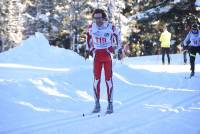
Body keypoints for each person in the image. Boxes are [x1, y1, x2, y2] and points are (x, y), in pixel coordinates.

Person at [84, 9, 122, 114]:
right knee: (96, 81)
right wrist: (87, 50)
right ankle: (97, 104)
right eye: (95, 18)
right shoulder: (91, 28)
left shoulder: (110, 27)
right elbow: (88, 38)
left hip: (107, 56)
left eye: (99, 18)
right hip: (97, 57)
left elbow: (118, 35)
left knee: (108, 80)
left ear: (104, 18)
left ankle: (110, 104)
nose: (97, 20)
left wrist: (119, 49)